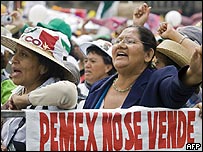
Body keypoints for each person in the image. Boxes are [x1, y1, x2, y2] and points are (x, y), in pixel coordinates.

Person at [82, 25, 202, 109]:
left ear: (148, 55)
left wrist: (193, 74)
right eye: (117, 41)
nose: (121, 45)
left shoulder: (158, 81)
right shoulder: (98, 88)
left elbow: (176, 90)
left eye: (130, 41)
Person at [1, 26, 79, 151]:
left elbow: (68, 91)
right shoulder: (18, 92)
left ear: (44, 67)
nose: (14, 60)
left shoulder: (56, 93)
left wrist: (25, 100)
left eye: (24, 55)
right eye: (15, 52)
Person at [77, 39, 117, 106]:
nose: (87, 65)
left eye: (93, 61)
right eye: (86, 61)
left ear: (108, 67)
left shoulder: (116, 94)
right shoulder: (76, 91)